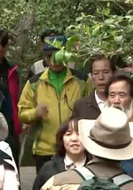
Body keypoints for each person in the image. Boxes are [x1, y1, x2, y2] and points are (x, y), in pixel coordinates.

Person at [18, 36, 88, 173]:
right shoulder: (34, 82)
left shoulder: (81, 80)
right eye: (50, 56)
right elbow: (22, 113)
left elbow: (90, 108)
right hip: (45, 150)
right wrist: (35, 113)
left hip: (77, 147)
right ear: (44, 57)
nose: (54, 60)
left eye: (58, 55)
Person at [72, 55, 116, 120]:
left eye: (106, 72)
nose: (101, 77)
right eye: (96, 73)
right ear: (91, 76)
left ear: (114, 74)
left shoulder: (123, 102)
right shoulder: (81, 105)